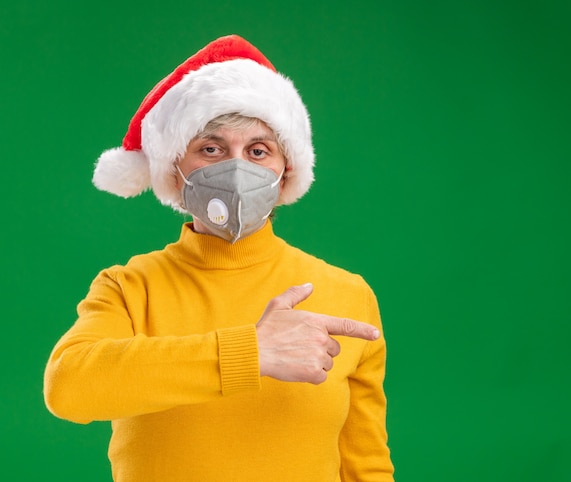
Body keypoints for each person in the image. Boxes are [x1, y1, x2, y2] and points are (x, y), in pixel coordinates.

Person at [43, 34, 394, 482]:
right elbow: (69, 388)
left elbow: (365, 466)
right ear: (174, 167)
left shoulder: (346, 296)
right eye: (211, 149)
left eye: (258, 151)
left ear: (288, 168)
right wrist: (249, 352)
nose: (236, 167)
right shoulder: (130, 287)